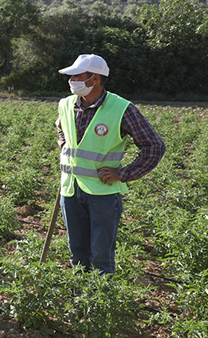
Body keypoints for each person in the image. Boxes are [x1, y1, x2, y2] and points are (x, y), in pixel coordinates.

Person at [55, 54, 165, 274]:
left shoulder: (122, 109)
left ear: (94, 79)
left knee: (101, 255)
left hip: (102, 194)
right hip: (70, 189)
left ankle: (100, 302)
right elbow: (61, 128)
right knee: (77, 252)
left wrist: (124, 173)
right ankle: (80, 302)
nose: (71, 81)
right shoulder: (66, 104)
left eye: (76, 76)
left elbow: (154, 146)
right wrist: (64, 145)